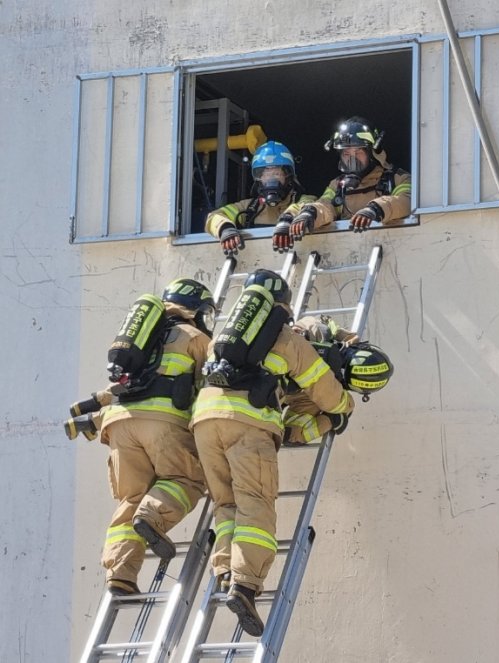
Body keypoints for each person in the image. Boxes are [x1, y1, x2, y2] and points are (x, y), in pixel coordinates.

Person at [191, 269, 354, 636]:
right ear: (282, 305)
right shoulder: (284, 337)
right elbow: (321, 386)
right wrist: (343, 406)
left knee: (226, 504)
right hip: (248, 427)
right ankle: (245, 586)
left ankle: (225, 572)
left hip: (204, 422)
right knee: (256, 504)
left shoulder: (219, 337)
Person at [66, 278, 216, 597]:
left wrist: (92, 418)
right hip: (165, 422)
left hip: (120, 425)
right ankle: (152, 516)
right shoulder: (196, 337)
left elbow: (115, 389)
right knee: (184, 480)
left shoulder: (141, 342)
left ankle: (120, 573)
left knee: (130, 499)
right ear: (195, 309)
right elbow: (210, 389)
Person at [272, 116, 412, 252]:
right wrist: (309, 214)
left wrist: (375, 209)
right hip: (349, 252)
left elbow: (406, 200)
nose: (352, 159)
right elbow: (326, 205)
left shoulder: (396, 178)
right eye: (346, 153)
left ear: (372, 152)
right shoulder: (338, 185)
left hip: (391, 251)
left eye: (358, 152)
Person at [283, 315, 394, 444]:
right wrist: (333, 419)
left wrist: (339, 339)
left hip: (269, 382)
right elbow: (292, 435)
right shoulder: (333, 394)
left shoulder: (319, 333)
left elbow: (290, 435)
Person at [205, 141, 316, 256]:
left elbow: (309, 209)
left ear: (288, 176)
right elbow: (213, 217)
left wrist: (288, 219)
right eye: (266, 175)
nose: (271, 180)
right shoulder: (250, 208)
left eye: (277, 174)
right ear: (259, 179)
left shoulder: (304, 200)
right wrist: (225, 228)